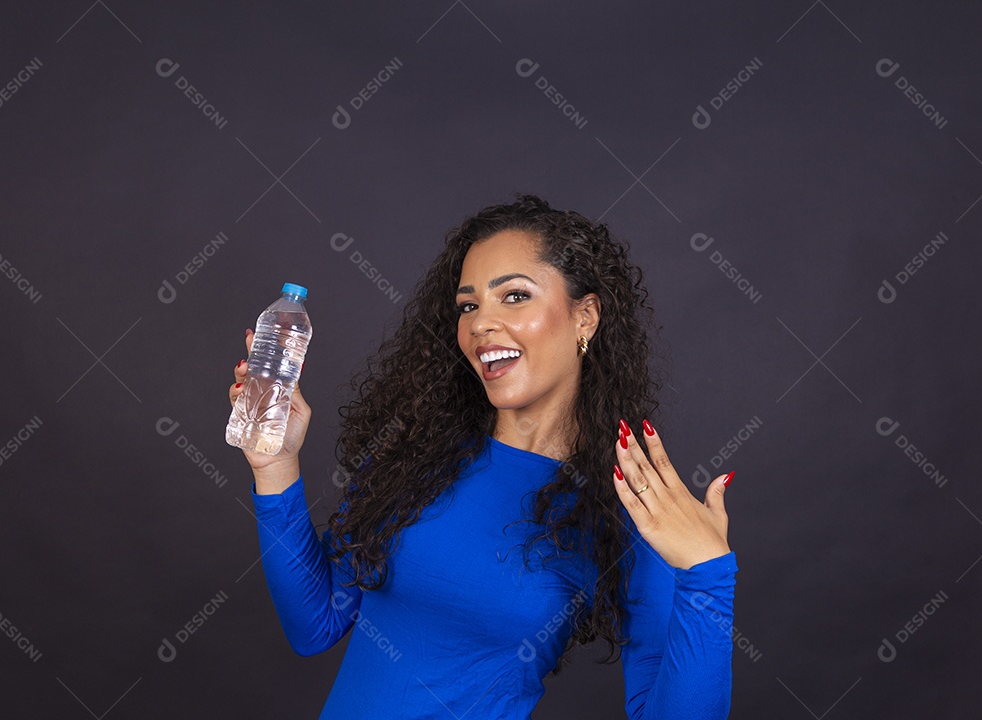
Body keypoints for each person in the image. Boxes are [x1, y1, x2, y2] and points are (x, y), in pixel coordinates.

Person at [227, 194, 738, 718]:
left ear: (584, 317)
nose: (479, 324)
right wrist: (276, 468)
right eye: (469, 306)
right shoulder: (416, 455)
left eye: (514, 296)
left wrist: (708, 576)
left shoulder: (628, 505)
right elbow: (315, 625)